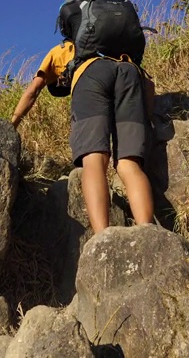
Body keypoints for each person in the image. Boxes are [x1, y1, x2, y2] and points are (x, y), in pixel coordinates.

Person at [11, 41, 154, 234]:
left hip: (92, 77)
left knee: (94, 159)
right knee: (128, 163)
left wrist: (12, 123)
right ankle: (148, 234)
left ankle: (103, 238)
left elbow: (33, 90)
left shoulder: (60, 51)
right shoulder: (110, 42)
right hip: (130, 72)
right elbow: (149, 85)